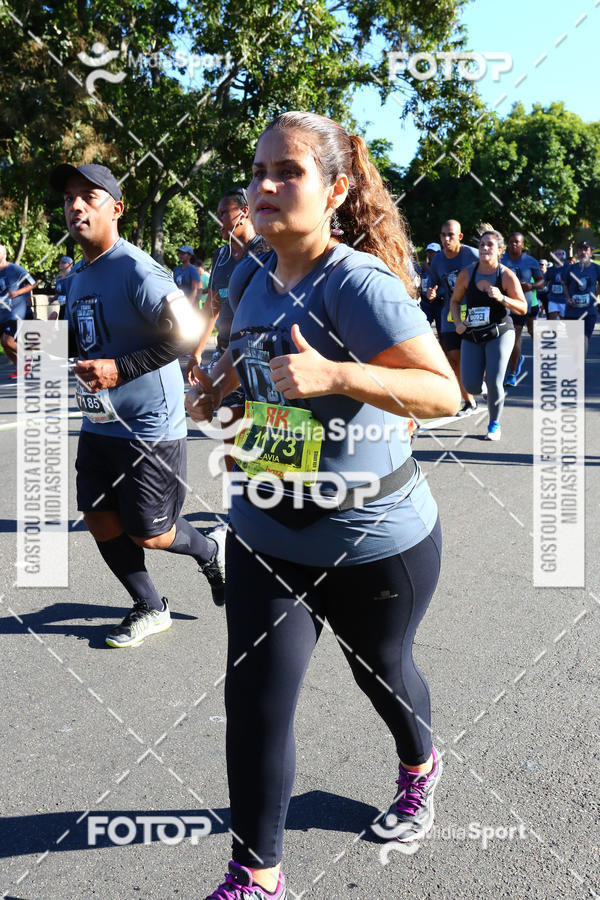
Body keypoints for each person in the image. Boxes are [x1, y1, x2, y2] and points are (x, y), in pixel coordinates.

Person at [185, 111, 460, 900]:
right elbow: (246, 361)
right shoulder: (248, 274)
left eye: (289, 172)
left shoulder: (358, 284)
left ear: (336, 190)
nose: (265, 186)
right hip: (268, 521)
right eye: (258, 170)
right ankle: (256, 877)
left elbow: (443, 392)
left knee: (382, 669)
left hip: (371, 538)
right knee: (256, 701)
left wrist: (340, 376)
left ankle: (420, 765)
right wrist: (218, 395)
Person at [49, 161, 226, 646]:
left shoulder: (137, 268)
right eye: (68, 198)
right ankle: (149, 605)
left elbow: (188, 334)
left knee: (150, 532)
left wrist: (119, 369)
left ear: (117, 209)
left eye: (89, 196)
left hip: (149, 424)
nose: (75, 205)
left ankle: (211, 549)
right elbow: (81, 338)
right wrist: (31, 343)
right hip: (100, 420)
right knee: (100, 518)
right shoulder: (81, 274)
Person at [186, 187, 267, 472]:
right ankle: (236, 509)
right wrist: (196, 353)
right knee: (231, 441)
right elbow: (212, 308)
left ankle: (263, 505)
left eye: (224, 213)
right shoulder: (220, 258)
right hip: (224, 356)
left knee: (263, 446)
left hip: (260, 359)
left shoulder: (268, 250)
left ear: (243, 212)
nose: (218, 219)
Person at [450, 229, 527, 441]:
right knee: (470, 385)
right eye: (482, 244)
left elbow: (523, 307)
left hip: (500, 332)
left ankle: (494, 424)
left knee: (494, 381)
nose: (484, 248)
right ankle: (484, 389)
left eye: (490, 245)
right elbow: (455, 301)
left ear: (500, 250)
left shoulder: (506, 275)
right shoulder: (467, 273)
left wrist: (503, 298)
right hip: (472, 334)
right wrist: (457, 322)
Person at [426, 220, 479, 415]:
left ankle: (481, 381)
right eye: (443, 235)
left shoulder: (472, 255)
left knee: (475, 356)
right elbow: (433, 284)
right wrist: (431, 293)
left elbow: (494, 271)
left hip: (475, 312)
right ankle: (469, 401)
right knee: (454, 359)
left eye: (450, 235)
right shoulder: (438, 260)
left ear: (460, 236)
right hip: (450, 313)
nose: (446, 239)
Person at [501, 233, 544, 386]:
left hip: (521, 305)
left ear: (522, 244)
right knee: (500, 338)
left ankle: (512, 373)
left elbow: (541, 281)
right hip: (502, 304)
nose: (513, 244)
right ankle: (511, 363)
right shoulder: (500, 259)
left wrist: (531, 286)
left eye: (517, 242)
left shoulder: (530, 261)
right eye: (511, 241)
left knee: (516, 336)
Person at [0, 244, 37, 371]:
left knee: (8, 341)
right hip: (2, 313)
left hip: (15, 312)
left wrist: (17, 293)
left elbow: (33, 283)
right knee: (5, 345)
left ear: (4, 254)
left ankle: (27, 358)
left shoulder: (15, 269)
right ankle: (22, 368)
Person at [564, 240, 600, 357]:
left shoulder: (596, 268)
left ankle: (578, 368)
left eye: (586, 249)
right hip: (572, 311)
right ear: (577, 253)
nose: (583, 252)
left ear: (590, 252)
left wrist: (596, 296)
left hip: (589, 311)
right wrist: (568, 298)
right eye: (580, 249)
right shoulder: (571, 268)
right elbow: (564, 283)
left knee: (583, 338)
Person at [418, 242, 442, 338]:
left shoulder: (441, 266)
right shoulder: (423, 267)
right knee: (422, 329)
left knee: (442, 332)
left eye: (433, 252)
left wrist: (428, 269)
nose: (430, 255)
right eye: (428, 252)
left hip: (440, 302)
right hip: (425, 303)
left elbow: (442, 279)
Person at [545, 249, 569, 321]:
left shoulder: (568, 268)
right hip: (553, 298)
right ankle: (554, 331)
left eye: (559, 254)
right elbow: (545, 281)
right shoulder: (550, 269)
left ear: (564, 256)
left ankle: (565, 331)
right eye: (556, 254)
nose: (557, 256)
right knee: (552, 316)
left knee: (565, 319)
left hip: (565, 298)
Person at [48, 255, 73, 321]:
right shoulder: (59, 278)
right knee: (62, 325)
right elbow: (58, 292)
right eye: (60, 262)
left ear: (70, 265)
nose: (60, 264)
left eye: (64, 262)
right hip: (62, 307)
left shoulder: (73, 276)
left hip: (71, 307)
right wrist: (53, 299)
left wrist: (67, 299)